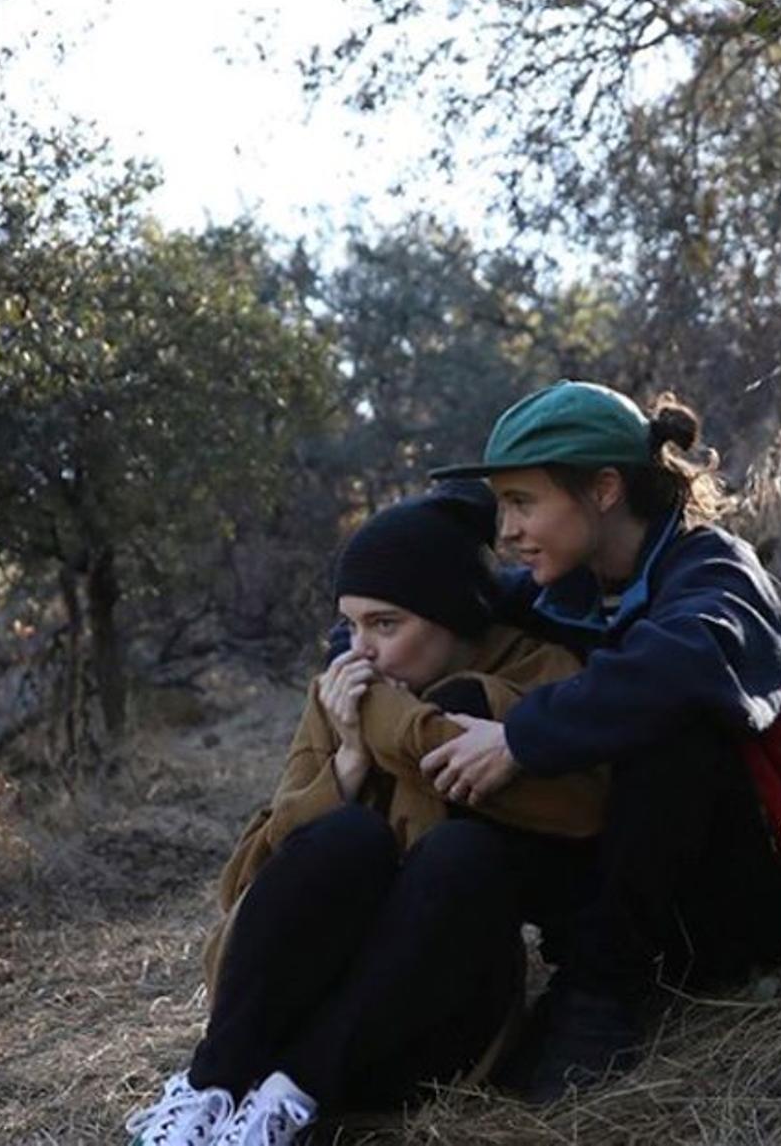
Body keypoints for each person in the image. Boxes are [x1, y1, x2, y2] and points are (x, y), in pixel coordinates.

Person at [124, 482, 608, 1146]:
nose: (361, 651)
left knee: (464, 855)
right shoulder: (342, 694)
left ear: (456, 616)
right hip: (278, 1018)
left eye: (386, 624)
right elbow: (245, 884)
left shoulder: (539, 675)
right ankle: (207, 1089)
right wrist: (348, 765)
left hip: (425, 1031)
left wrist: (395, 727)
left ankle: (284, 1107)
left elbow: (585, 813)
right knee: (347, 836)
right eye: (350, 625)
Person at [420, 380, 781, 1102]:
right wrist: (357, 645)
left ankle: (598, 994)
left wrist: (522, 737)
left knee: (672, 721)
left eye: (523, 503)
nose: (507, 530)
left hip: (735, 906)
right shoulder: (565, 586)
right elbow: (437, 602)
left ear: (605, 488)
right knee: (460, 702)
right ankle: (476, 994)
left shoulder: (714, 569)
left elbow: (684, 663)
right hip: (623, 890)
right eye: (501, 507)